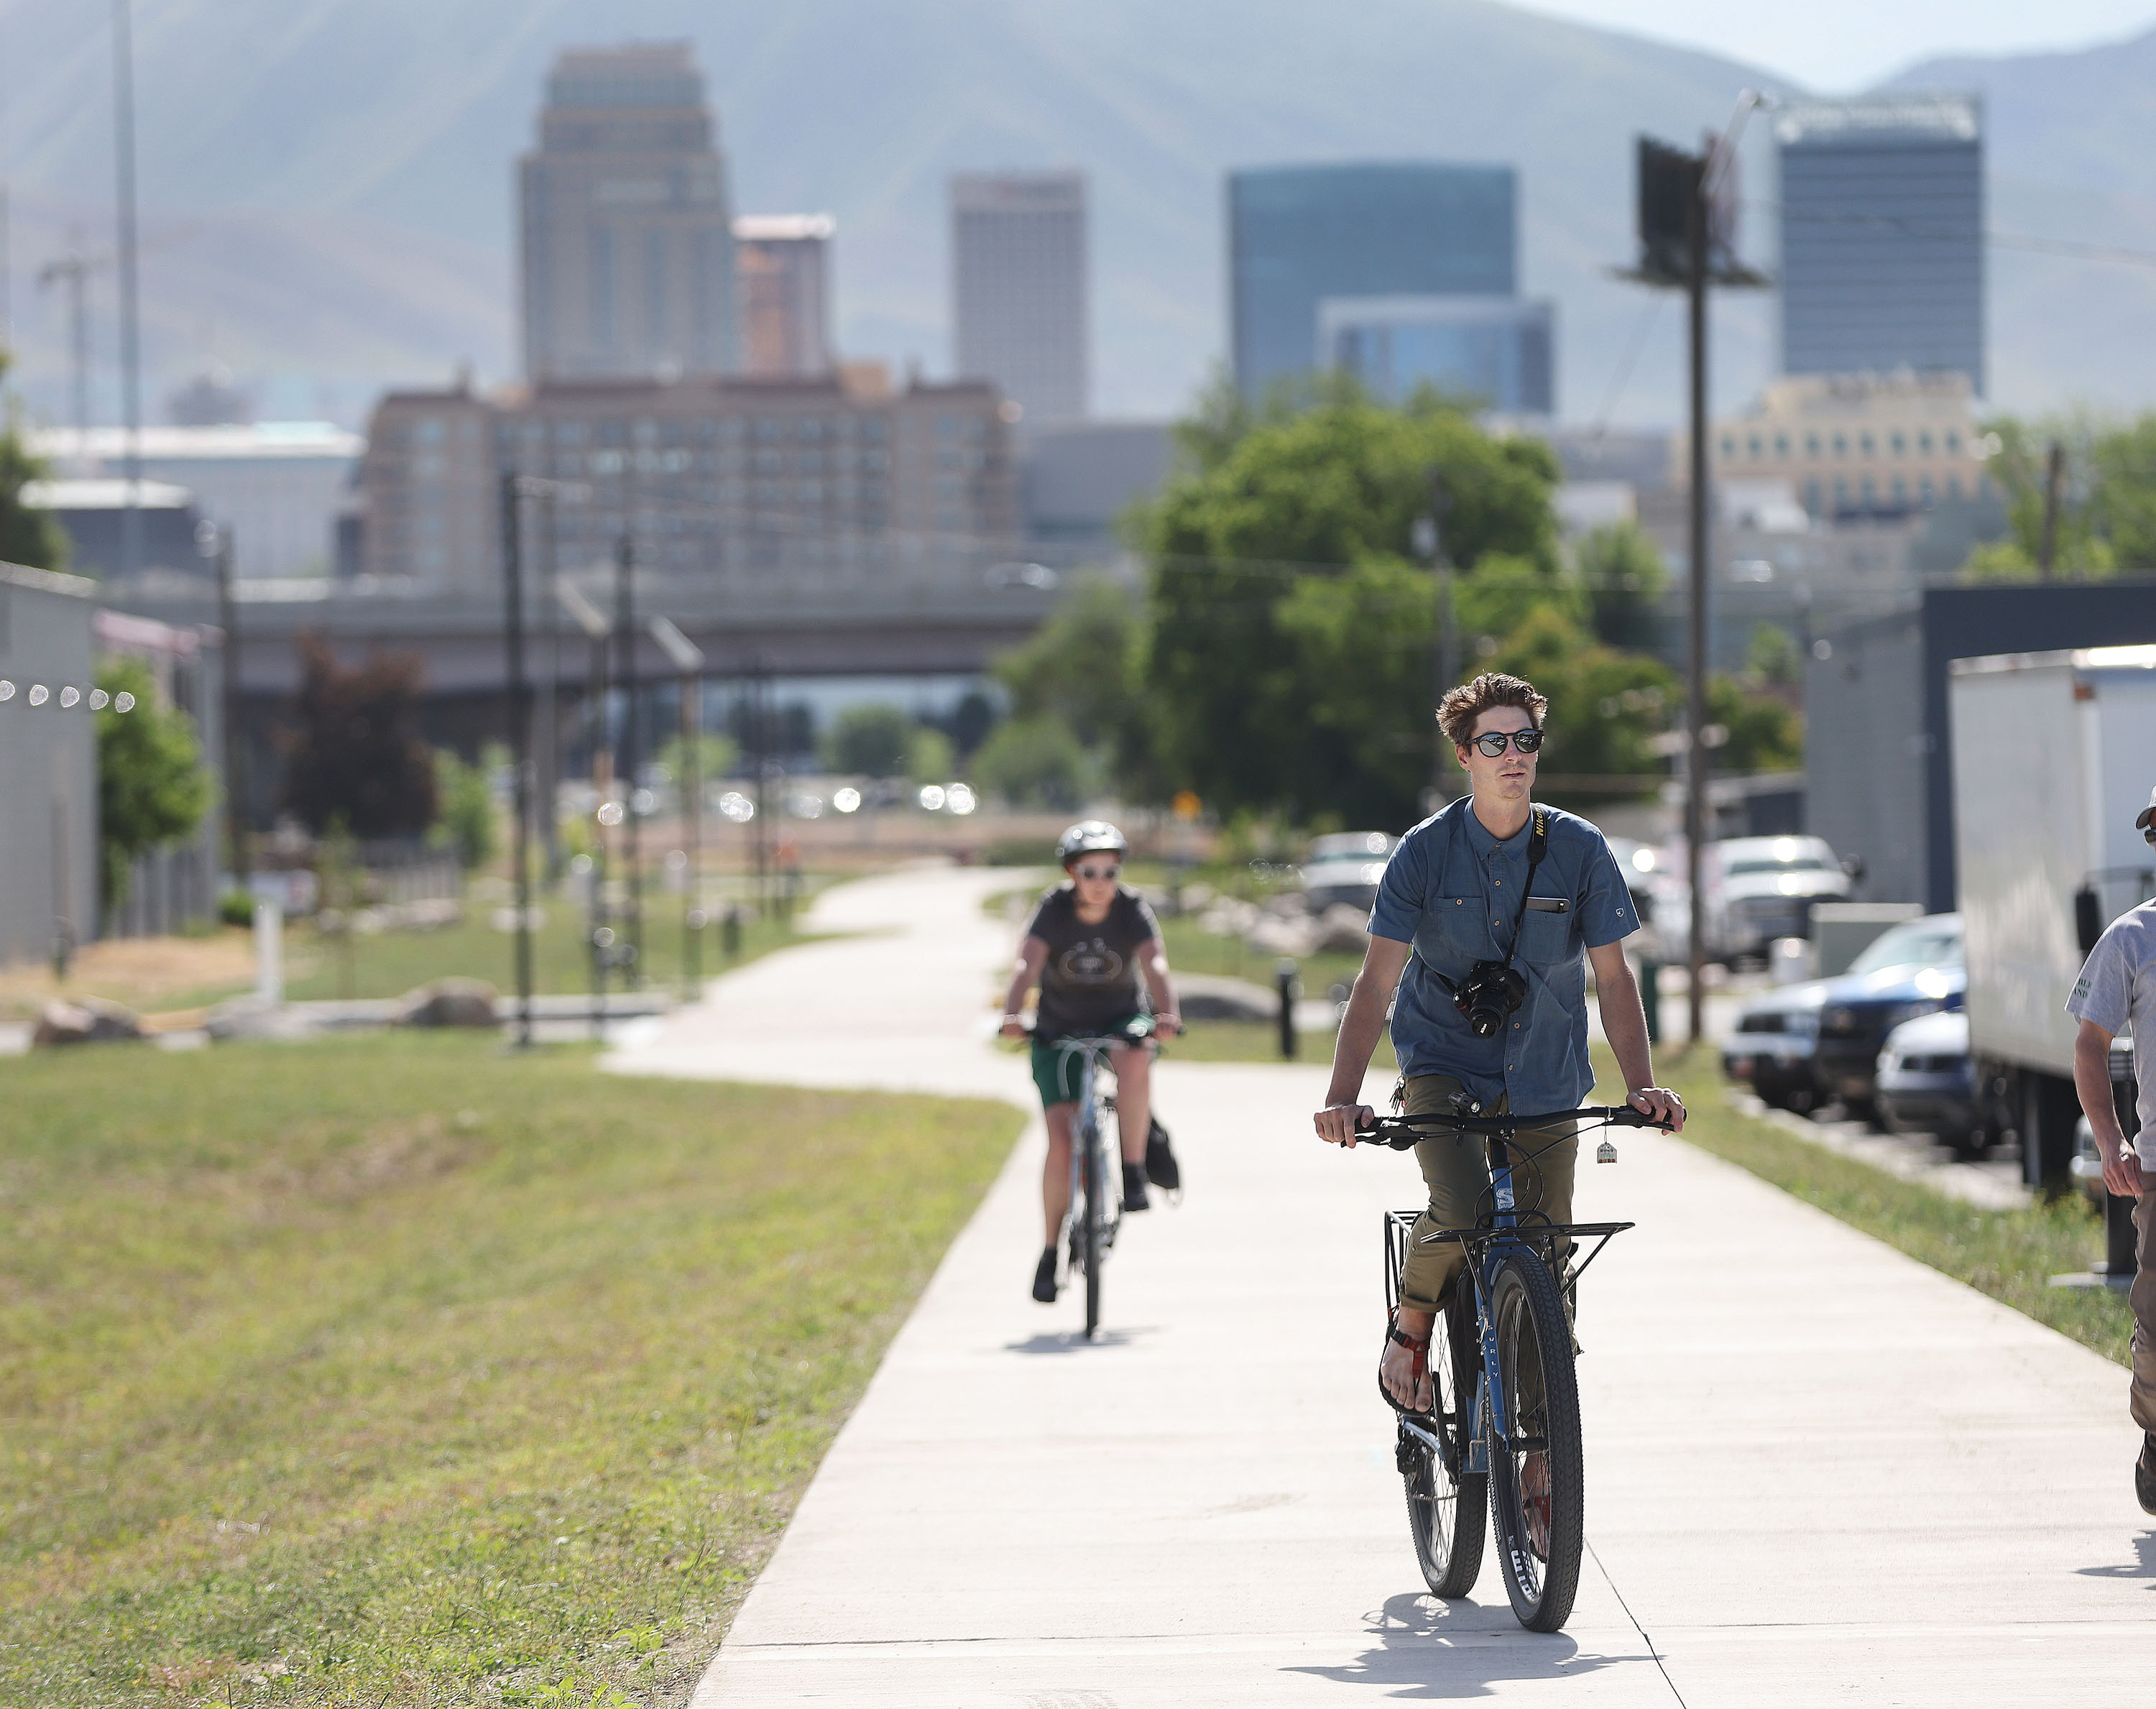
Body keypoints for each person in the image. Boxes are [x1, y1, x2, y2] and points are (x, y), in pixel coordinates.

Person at [1311, 671, 1685, 1420]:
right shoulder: (1423, 852)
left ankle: (1542, 1444)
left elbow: (1613, 977)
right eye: (1495, 741)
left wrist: (1643, 1082)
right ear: (1464, 754)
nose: (1514, 754)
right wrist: (1341, 1097)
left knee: (1548, 1258)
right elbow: (1376, 980)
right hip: (1442, 1061)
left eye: (1526, 740)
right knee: (1464, 1203)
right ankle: (1413, 1322)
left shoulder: (1580, 849)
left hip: (1546, 1070)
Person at [1000, 821, 1184, 1304]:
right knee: (1061, 1140)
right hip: (1056, 1028)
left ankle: (1132, 1170)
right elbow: (1027, 964)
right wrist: (1012, 1014)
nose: (1102, 880)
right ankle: (1048, 1251)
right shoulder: (1053, 909)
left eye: (1111, 869)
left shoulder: (1130, 908)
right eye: (1090, 871)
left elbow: (1155, 962)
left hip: (1119, 1019)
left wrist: (1167, 1013)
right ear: (1071, 872)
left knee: (1136, 1057)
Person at [2067, 783, 2156, 1513]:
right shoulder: (2132, 936)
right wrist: (2111, 1139)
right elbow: (2090, 1046)